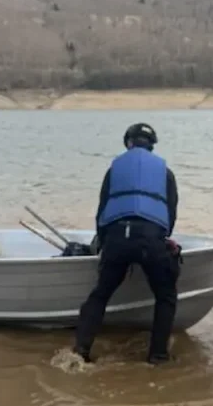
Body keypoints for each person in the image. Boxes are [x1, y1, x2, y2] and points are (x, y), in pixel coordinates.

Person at [72, 123, 180, 365]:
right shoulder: (165, 172)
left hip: (117, 239)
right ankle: (158, 357)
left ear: (128, 143)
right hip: (150, 239)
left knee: (100, 295)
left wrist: (103, 243)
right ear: (152, 146)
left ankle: (80, 351)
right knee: (165, 296)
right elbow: (170, 213)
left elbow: (102, 211)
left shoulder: (114, 170)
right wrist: (163, 238)